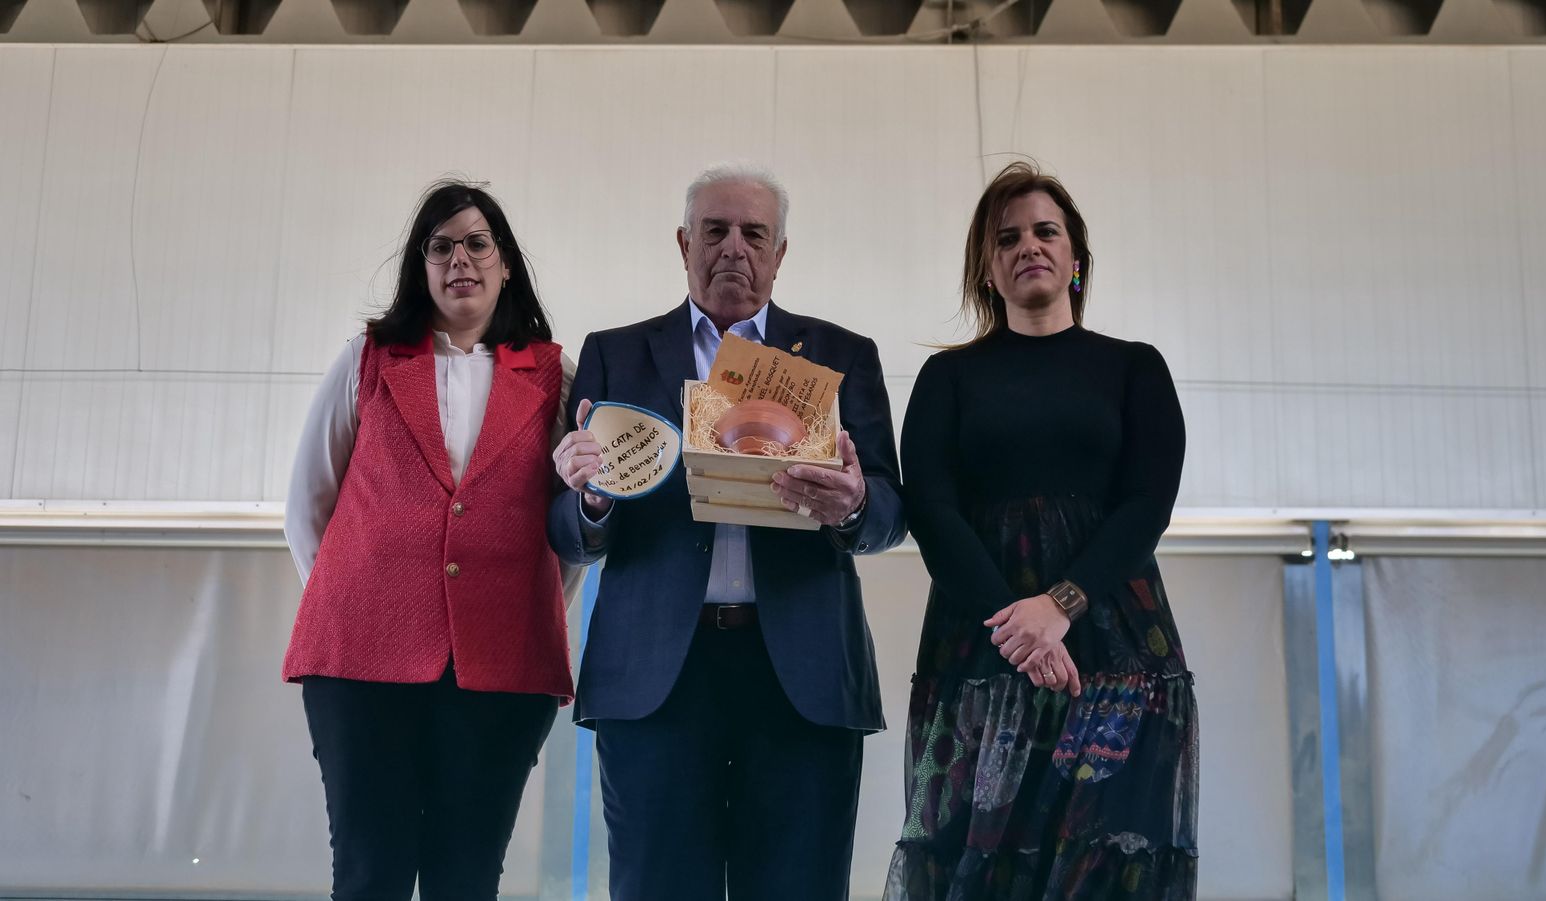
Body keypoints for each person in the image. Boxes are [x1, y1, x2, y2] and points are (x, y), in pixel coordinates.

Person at [547, 162, 906, 901]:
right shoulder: (614, 353)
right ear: (683, 243)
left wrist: (854, 506)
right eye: (715, 231)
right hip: (656, 680)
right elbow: (564, 526)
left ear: (781, 253)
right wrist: (591, 501)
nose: (733, 248)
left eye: (754, 233)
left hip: (800, 680)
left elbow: (893, 514)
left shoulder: (843, 356)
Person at [884, 161, 1198, 900]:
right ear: (988, 269)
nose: (1030, 244)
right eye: (1008, 237)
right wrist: (1016, 628)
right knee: (980, 857)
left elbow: (1147, 504)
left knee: (1105, 861)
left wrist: (1058, 606)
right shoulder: (946, 379)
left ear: (1075, 257)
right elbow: (932, 511)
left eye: (1046, 230)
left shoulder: (1134, 368)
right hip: (983, 644)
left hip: (1113, 639)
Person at [282, 179, 578, 900]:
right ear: (421, 265)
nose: (460, 260)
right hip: (358, 662)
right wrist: (355, 607)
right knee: (368, 871)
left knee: (467, 875)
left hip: (501, 665)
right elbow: (307, 504)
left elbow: (567, 533)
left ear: (505, 261)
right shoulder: (369, 359)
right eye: (440, 246)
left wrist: (531, 607)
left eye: (478, 243)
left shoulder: (553, 376)